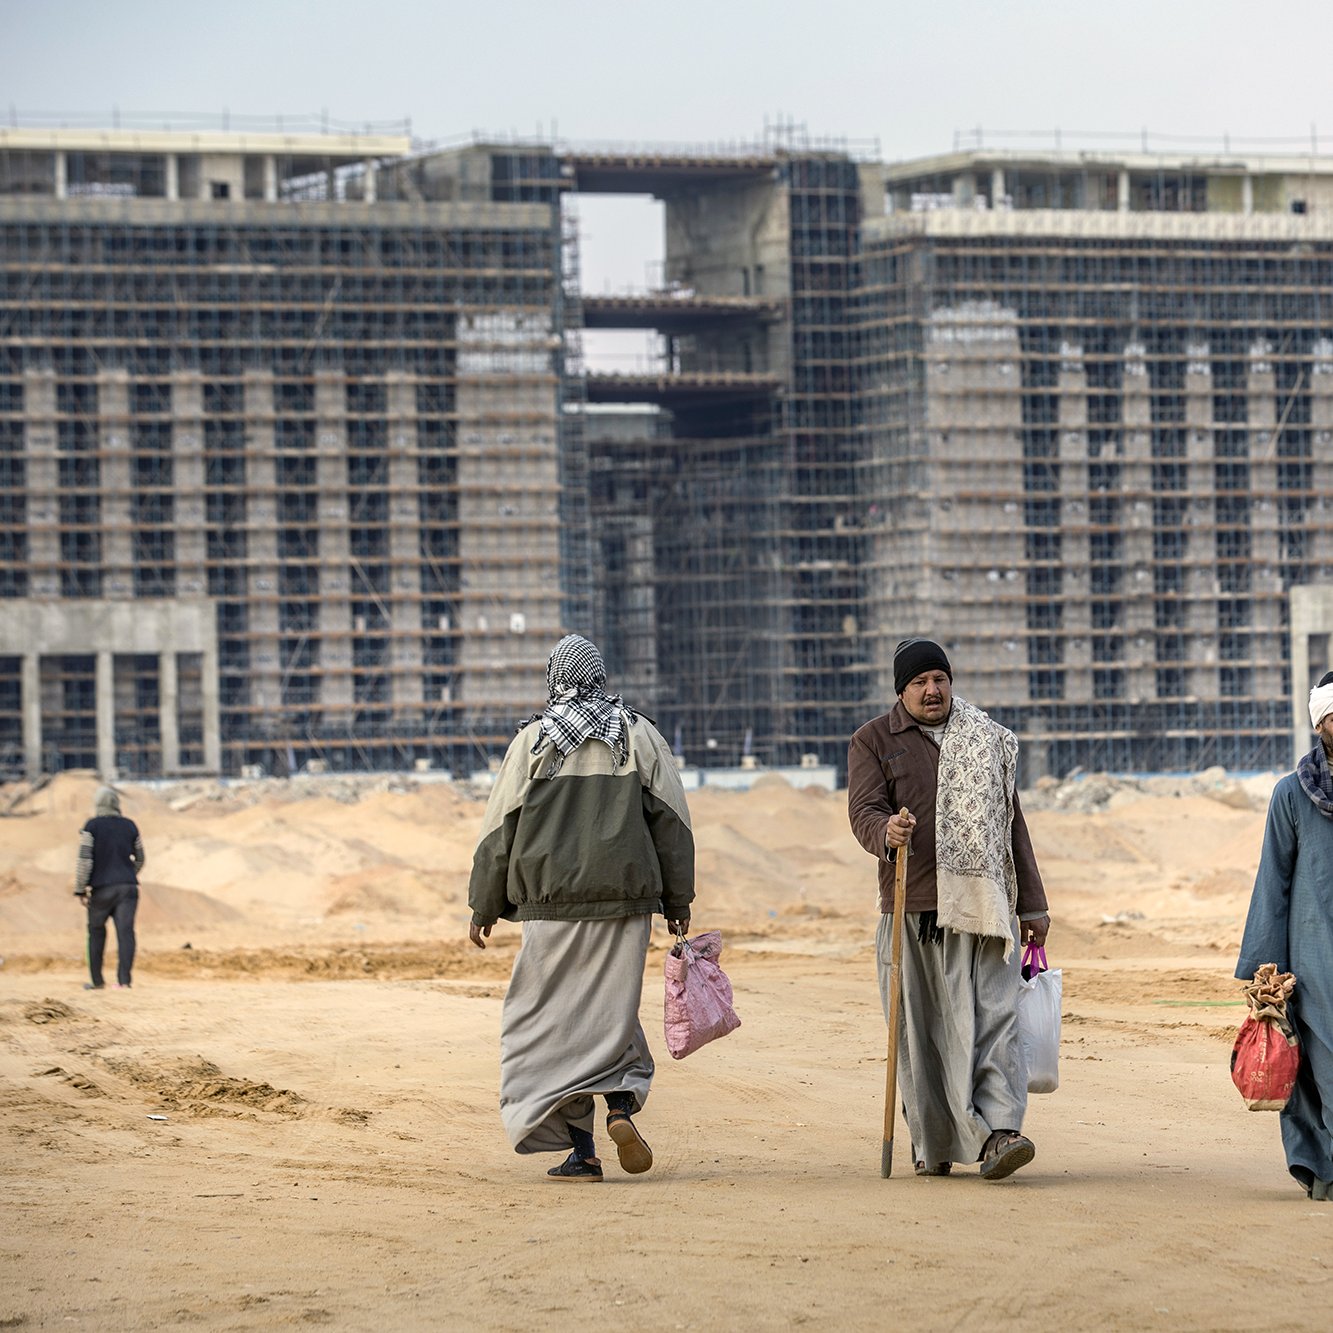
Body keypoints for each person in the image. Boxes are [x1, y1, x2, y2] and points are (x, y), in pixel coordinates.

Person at [468, 634, 695, 1181]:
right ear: (600, 677)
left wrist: (483, 905)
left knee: (552, 1023)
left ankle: (583, 1151)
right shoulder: (637, 734)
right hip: (626, 903)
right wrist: (678, 900)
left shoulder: (533, 742)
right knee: (611, 1012)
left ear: (554, 679)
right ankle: (619, 1107)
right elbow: (673, 821)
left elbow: (500, 828)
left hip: (549, 908)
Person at [847, 637, 1051, 1180]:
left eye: (940, 679)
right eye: (920, 682)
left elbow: (1012, 826)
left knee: (994, 1019)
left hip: (985, 907)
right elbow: (864, 811)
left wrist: (1033, 905)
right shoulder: (873, 741)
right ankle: (934, 1141)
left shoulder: (986, 739)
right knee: (924, 1031)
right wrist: (886, 831)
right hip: (912, 908)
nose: (932, 690)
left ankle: (1002, 1131)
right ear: (901, 690)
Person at [1236, 671, 1333, 1202]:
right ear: (1321, 722)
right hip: (1313, 960)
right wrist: (1263, 968)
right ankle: (1322, 1168)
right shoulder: (1292, 796)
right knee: (1314, 1072)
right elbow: (1272, 881)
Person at [74, 786, 146, 990]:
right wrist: (128, 873)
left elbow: (84, 860)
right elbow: (141, 858)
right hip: (128, 888)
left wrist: (80, 888)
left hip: (101, 889)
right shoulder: (130, 826)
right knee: (126, 932)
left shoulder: (92, 826)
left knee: (96, 931)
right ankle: (124, 982)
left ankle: (97, 982)